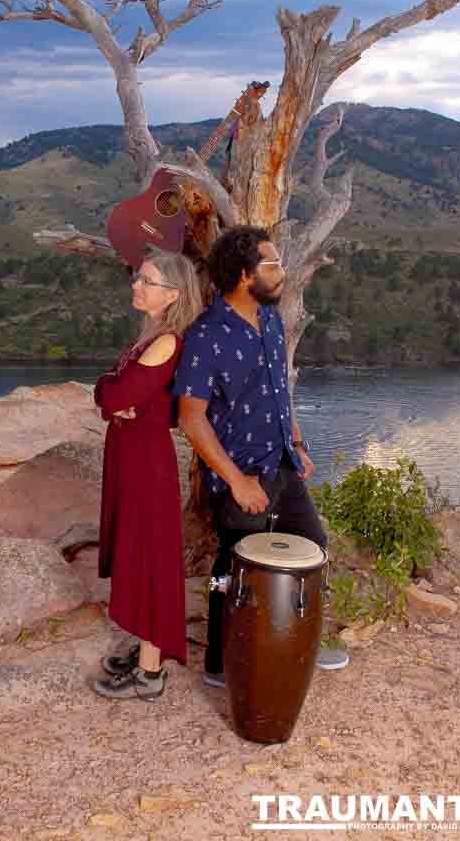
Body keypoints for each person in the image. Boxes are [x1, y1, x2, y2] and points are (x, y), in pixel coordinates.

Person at [173, 226, 349, 687]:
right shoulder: (205, 336)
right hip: (242, 475)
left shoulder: (271, 320)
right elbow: (192, 418)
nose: (282, 272)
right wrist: (235, 481)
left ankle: (299, 641)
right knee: (230, 569)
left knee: (313, 545)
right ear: (246, 274)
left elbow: (278, 390)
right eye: (273, 265)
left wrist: (298, 440)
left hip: (282, 464)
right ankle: (219, 660)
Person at [92, 247, 203, 701]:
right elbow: (109, 389)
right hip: (132, 456)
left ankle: (150, 672)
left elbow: (115, 395)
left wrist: (112, 397)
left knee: (149, 558)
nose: (136, 285)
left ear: (172, 295)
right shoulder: (150, 336)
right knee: (137, 553)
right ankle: (144, 650)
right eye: (138, 277)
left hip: (145, 464)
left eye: (147, 281)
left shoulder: (167, 342)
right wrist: (111, 395)